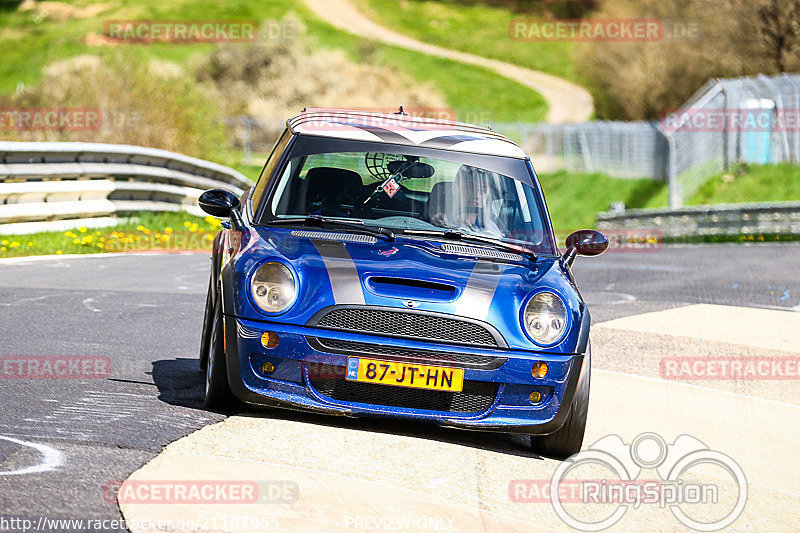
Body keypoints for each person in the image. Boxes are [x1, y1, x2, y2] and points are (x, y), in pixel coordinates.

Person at [428, 165, 503, 237]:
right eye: (469, 187)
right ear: (454, 188)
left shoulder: (492, 232)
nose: (476, 195)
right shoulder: (438, 221)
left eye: (483, 190)